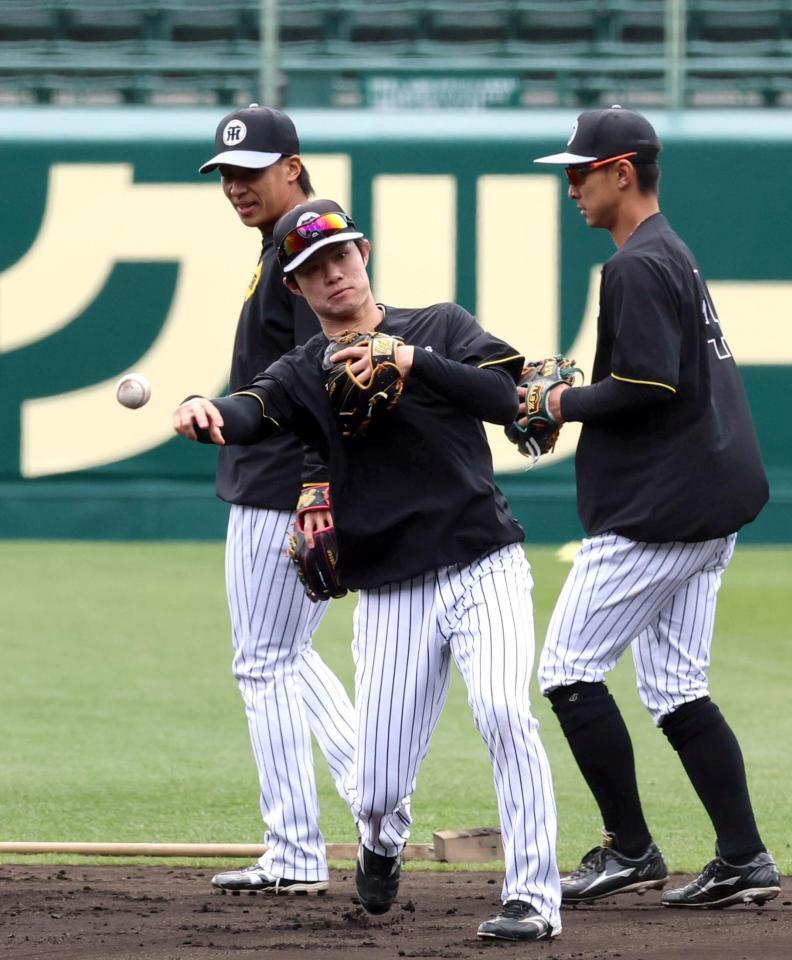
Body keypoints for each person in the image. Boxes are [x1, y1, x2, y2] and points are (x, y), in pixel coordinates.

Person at [173, 199, 561, 942]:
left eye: (340, 256)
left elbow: (510, 398)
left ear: (365, 252)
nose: (332, 274)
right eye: (311, 269)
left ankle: (533, 900)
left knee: (506, 714)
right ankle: (380, 843)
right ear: (295, 288)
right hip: (390, 588)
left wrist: (413, 360)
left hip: (484, 562)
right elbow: (252, 407)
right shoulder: (301, 370)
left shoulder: (438, 325)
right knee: (379, 786)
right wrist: (206, 408)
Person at [529, 106, 781, 909]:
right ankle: (742, 857)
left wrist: (559, 401)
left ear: (622, 170)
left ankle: (629, 848)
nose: (570, 185)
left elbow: (646, 385)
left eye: (581, 170)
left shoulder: (638, 265)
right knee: (675, 688)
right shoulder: (670, 252)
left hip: (660, 510)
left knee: (567, 672)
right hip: (707, 506)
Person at [196, 105, 406, 894]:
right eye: (227, 175)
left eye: (251, 172)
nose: (237, 187)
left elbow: (324, 368)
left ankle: (293, 851)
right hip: (283, 477)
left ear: (294, 166)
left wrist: (319, 479)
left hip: (281, 483)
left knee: (263, 662)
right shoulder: (286, 242)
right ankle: (376, 799)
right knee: (284, 654)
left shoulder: (304, 247)